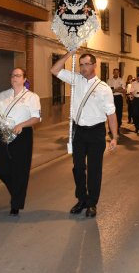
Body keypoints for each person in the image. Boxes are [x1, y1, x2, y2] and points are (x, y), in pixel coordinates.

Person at [51, 51, 118, 218]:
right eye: (81, 64)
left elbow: (111, 114)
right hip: (79, 131)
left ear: (94, 65)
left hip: (96, 132)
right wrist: (69, 54)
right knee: (78, 168)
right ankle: (81, 199)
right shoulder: (76, 80)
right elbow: (54, 70)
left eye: (86, 64)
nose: (83, 68)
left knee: (95, 170)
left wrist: (114, 137)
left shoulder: (103, 89)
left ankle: (92, 203)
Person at [0, 67, 41, 217]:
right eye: (13, 75)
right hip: (3, 133)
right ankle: (16, 191)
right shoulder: (2, 95)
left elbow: (37, 118)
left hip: (22, 134)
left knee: (20, 170)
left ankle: (16, 204)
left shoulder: (32, 97)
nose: (15, 78)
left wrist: (22, 125)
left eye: (18, 76)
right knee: (1, 168)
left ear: (24, 79)